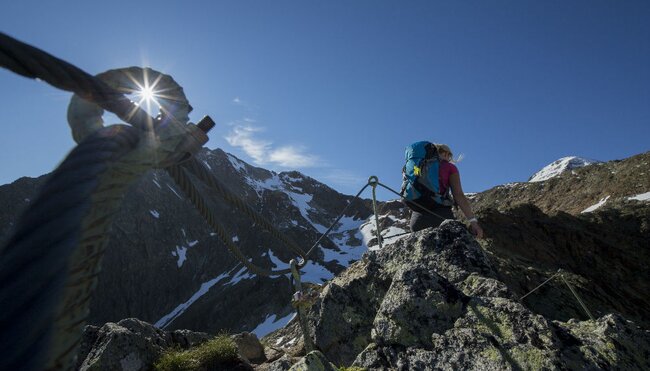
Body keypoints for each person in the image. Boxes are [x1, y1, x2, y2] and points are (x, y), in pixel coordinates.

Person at [409, 144, 484, 238]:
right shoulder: (450, 167)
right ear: (446, 154)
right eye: (449, 155)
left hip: (417, 220)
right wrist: (473, 222)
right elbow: (458, 195)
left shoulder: (418, 165)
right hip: (441, 217)